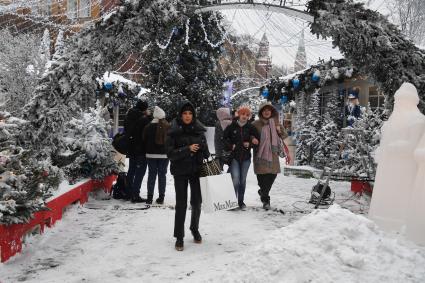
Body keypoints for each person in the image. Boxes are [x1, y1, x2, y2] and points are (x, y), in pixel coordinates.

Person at [166, 101, 210, 251]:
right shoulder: (173, 131)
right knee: (181, 204)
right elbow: (170, 154)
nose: (187, 116)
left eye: (190, 113)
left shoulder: (199, 130)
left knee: (197, 203)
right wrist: (187, 149)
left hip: (197, 171)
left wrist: (203, 148)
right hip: (180, 172)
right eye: (185, 113)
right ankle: (179, 236)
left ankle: (194, 228)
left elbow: (206, 153)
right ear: (180, 115)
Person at [252, 102, 287, 210]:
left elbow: (284, 136)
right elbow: (249, 135)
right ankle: (265, 197)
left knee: (272, 175)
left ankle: (264, 196)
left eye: (269, 110)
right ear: (261, 112)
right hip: (260, 155)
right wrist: (252, 139)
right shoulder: (255, 124)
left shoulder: (276, 123)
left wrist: (279, 130)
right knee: (261, 179)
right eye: (264, 110)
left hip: (273, 155)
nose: (267, 112)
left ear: (272, 112)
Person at [224, 106, 259, 210]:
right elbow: (224, 139)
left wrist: (251, 144)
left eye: (247, 115)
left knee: (242, 180)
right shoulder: (231, 126)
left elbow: (257, 141)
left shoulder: (251, 127)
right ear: (238, 114)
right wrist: (231, 146)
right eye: (243, 114)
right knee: (235, 180)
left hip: (246, 158)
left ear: (249, 117)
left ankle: (240, 202)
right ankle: (232, 202)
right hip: (234, 157)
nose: (245, 116)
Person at [124, 99, 151, 203]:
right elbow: (146, 134)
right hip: (141, 149)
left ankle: (128, 193)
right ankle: (135, 194)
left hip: (131, 147)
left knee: (131, 170)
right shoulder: (144, 119)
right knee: (140, 172)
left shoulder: (128, 116)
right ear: (144, 109)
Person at [143, 106, 170, 205]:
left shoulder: (148, 126)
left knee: (151, 175)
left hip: (150, 155)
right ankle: (161, 197)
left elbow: (144, 140)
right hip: (164, 155)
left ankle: (149, 197)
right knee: (162, 175)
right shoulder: (167, 126)